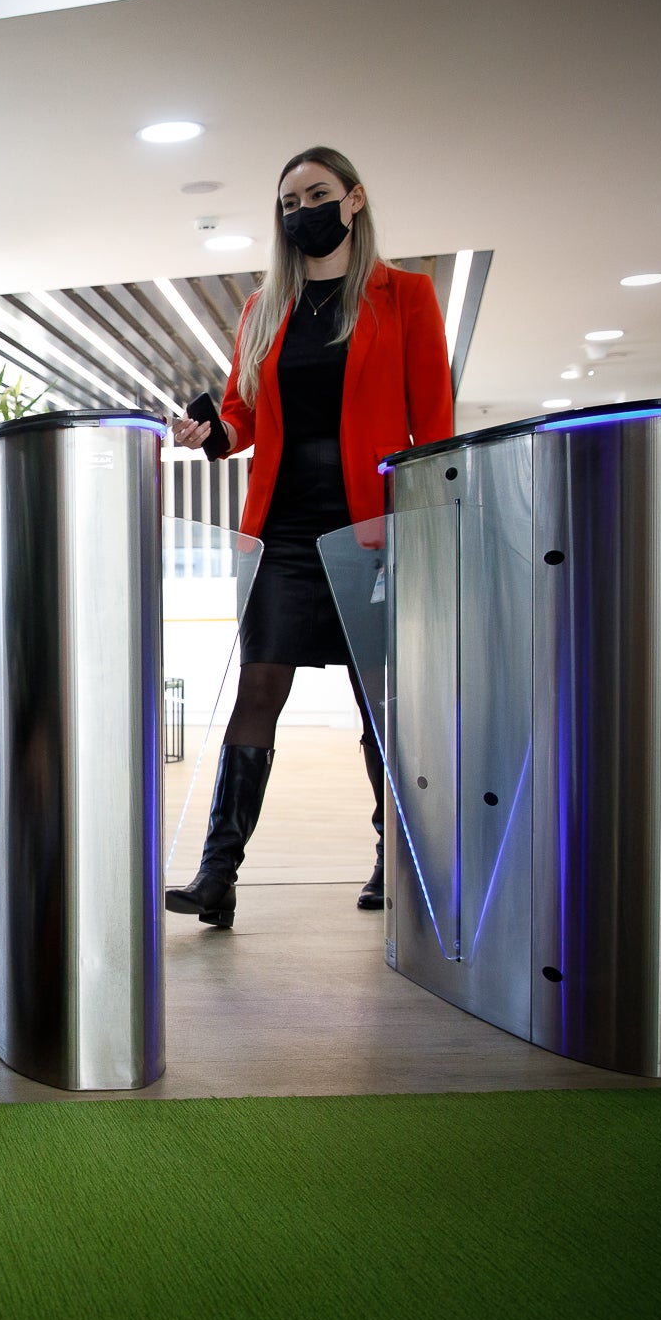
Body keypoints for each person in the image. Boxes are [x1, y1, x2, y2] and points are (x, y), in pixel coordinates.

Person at [166, 146, 453, 927]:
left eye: (317, 195)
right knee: (258, 688)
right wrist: (208, 432)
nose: (302, 213)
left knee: (380, 706)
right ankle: (215, 874)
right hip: (282, 532)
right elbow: (244, 416)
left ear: (354, 200)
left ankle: (395, 859)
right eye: (289, 203)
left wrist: (420, 533)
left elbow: (432, 423)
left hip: (372, 529)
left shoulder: (407, 297)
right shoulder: (264, 308)